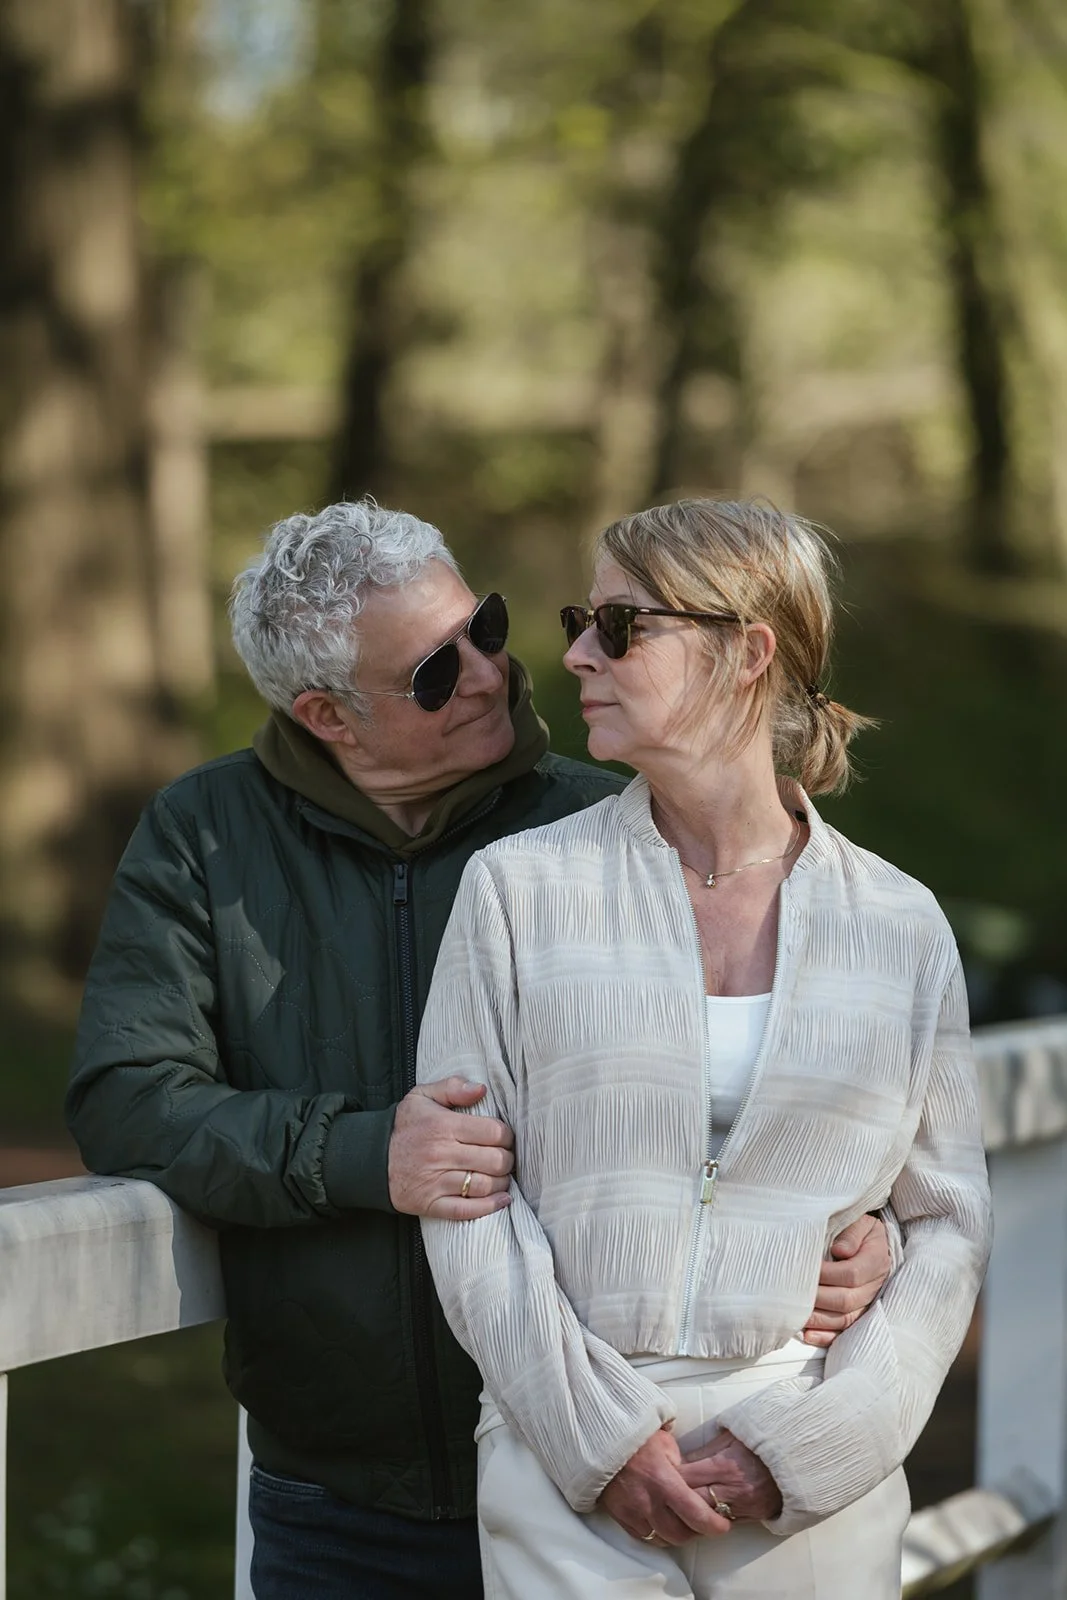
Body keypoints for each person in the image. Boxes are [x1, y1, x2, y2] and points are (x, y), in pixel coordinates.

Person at [66, 499, 896, 1600]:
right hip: (338, 1493)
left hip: (596, 1470)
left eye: (486, 627)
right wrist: (358, 1155)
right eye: (429, 672)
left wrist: (855, 1226)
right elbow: (127, 1098)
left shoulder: (614, 821)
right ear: (327, 714)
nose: (489, 673)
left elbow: (751, 1095)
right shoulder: (205, 835)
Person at [416, 498, 992, 1600]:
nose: (577, 650)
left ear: (745, 652)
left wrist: (809, 1450)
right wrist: (595, 1439)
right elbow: (466, 1199)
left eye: (623, 625)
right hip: (566, 1459)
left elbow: (946, 1224)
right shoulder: (517, 892)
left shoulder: (897, 923)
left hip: (812, 1459)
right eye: (583, 618)